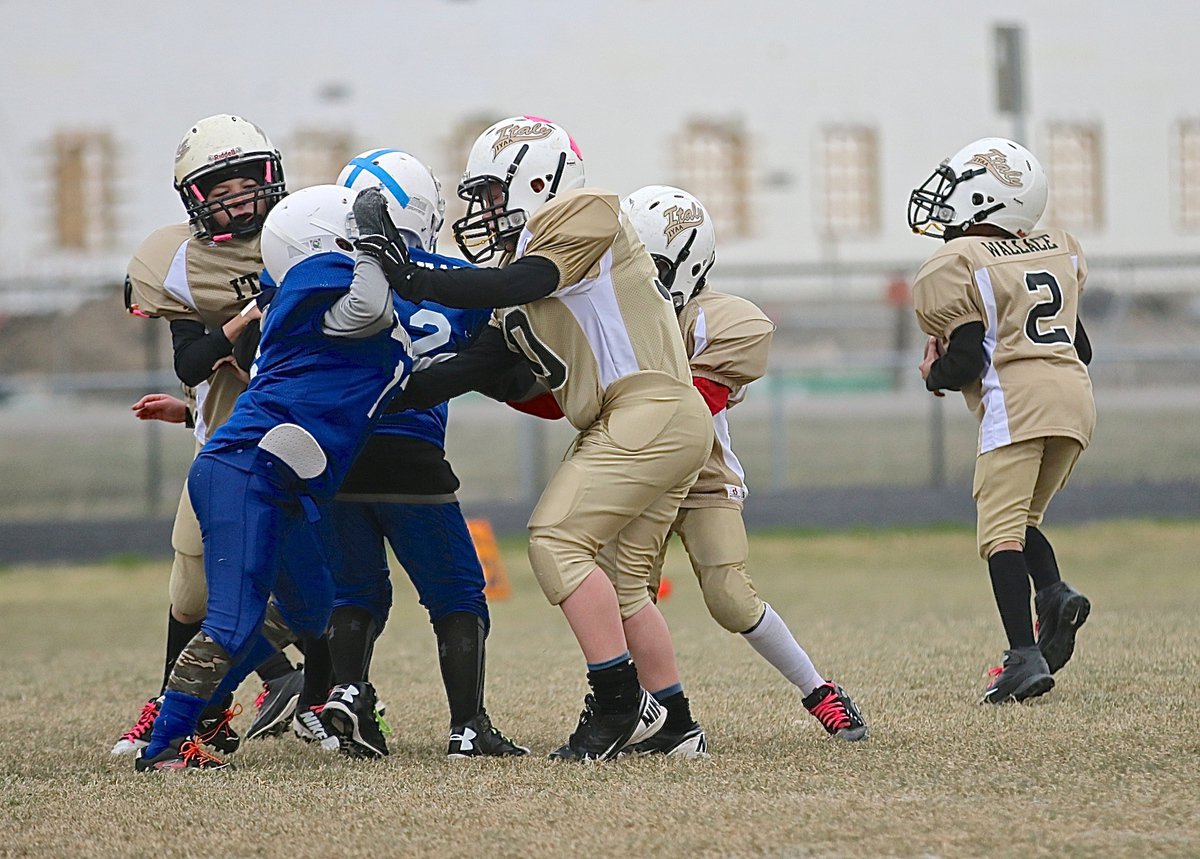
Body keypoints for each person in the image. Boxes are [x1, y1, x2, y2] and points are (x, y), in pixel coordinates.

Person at [374, 116, 713, 761]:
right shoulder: (526, 278)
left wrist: (416, 277)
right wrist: (377, 397)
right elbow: (475, 368)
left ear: (538, 177)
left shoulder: (588, 212)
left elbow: (522, 282)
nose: (484, 213)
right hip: (643, 419)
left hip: (649, 408)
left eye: (494, 196)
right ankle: (676, 724)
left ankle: (617, 703)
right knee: (626, 584)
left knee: (556, 539)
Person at [134, 184, 415, 771]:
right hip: (247, 473)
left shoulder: (300, 303)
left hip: (270, 474)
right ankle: (164, 745)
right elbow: (369, 306)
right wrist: (370, 238)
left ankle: (188, 707)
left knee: (311, 611)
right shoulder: (322, 285)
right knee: (232, 619)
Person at [610, 185, 868, 749]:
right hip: (634, 475)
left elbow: (693, 406)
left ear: (685, 264)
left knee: (729, 593)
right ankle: (644, 713)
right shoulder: (617, 319)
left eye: (642, 262)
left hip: (702, 476)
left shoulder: (714, 319)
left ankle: (819, 691)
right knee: (626, 596)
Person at [309, 149, 527, 760]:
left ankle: (348, 693)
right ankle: (468, 727)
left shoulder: (327, 274)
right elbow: (503, 360)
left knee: (356, 593)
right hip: (413, 458)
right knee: (457, 594)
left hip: (338, 453)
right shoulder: (453, 282)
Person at [115, 114, 302, 758]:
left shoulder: (305, 235)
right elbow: (192, 362)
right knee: (191, 593)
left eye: (248, 182)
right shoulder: (183, 266)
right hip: (225, 444)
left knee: (321, 584)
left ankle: (332, 696)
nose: (238, 197)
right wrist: (240, 326)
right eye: (220, 188)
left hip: (305, 438)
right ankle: (202, 705)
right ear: (195, 200)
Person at [907, 137, 1094, 704]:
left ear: (987, 200)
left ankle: (1022, 657)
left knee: (999, 535)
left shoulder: (959, 263)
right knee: (1022, 520)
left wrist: (934, 374)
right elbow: (1080, 347)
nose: (945, 204)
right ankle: (1055, 596)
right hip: (1075, 401)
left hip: (1019, 404)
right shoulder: (1057, 250)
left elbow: (970, 359)